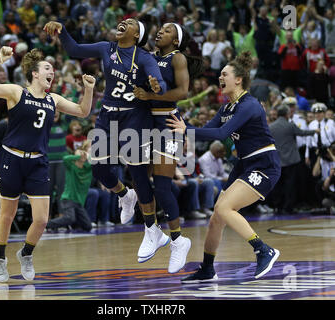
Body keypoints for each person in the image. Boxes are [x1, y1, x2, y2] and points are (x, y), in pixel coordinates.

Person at [44, 19, 167, 257]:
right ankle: (124, 194)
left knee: (138, 172)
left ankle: (152, 229)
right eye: (123, 21)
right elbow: (74, 49)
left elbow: (159, 82)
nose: (123, 23)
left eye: (130, 23)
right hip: (109, 115)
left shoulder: (143, 57)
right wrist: (63, 30)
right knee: (99, 169)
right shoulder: (106, 48)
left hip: (133, 117)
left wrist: (156, 85)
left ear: (137, 34)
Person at [0, 46, 96, 282]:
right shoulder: (16, 92)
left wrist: (89, 90)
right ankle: (0, 259)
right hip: (12, 158)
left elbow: (82, 111)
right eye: (47, 68)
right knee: (7, 215)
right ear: (35, 73)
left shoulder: (54, 99)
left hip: (38, 162)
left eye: (53, 68)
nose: (52, 72)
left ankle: (26, 253)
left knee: (41, 219)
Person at [167, 51, 281, 281]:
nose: (220, 78)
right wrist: (174, 115)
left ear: (238, 79)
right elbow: (206, 132)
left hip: (264, 163)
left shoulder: (249, 105)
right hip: (244, 164)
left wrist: (186, 130)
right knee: (216, 218)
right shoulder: (226, 108)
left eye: (224, 74)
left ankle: (263, 250)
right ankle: (208, 268)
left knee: (224, 208)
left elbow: (221, 133)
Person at [124, 23, 205, 273]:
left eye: (168, 30)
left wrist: (151, 96)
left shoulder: (177, 58)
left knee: (161, 185)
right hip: (145, 121)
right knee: (136, 174)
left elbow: (182, 91)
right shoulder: (147, 56)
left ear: (176, 40)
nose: (160, 31)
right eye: (160, 29)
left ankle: (179, 240)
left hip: (168, 123)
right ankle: (151, 228)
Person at [46, 141, 93, 232]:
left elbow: (97, 162)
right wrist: (79, 156)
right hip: (68, 199)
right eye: (79, 154)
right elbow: (65, 158)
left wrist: (88, 156)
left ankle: (62, 225)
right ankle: (45, 225)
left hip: (79, 203)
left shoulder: (88, 168)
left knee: (88, 226)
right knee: (70, 218)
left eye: (83, 154)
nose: (81, 155)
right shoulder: (71, 167)